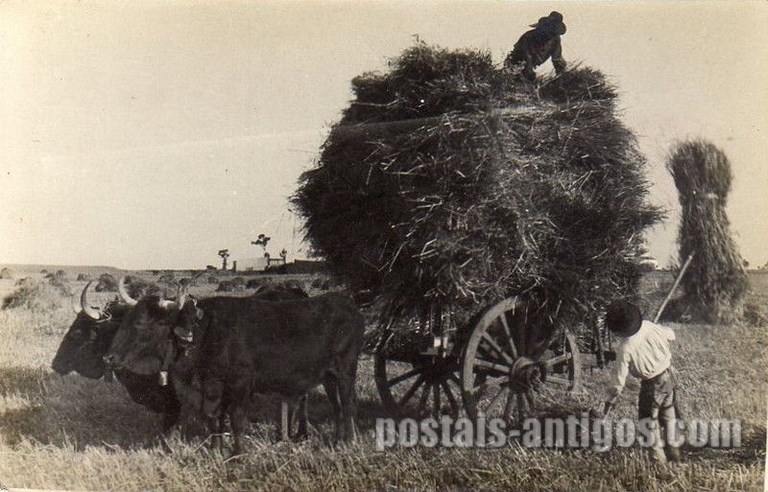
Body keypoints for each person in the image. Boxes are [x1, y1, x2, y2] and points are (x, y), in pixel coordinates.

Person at [593, 300, 682, 464]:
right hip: (669, 376)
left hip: (652, 386)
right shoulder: (649, 325)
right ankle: (675, 454)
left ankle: (658, 462)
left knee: (648, 424)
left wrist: (611, 397)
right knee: (669, 417)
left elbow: (618, 381)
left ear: (617, 331)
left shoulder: (625, 348)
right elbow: (671, 334)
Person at [505, 11, 567, 81]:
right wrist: (528, 70)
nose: (550, 34)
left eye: (553, 31)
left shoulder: (555, 40)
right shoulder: (528, 37)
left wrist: (561, 77)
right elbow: (525, 56)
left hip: (530, 66)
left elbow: (557, 59)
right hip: (516, 65)